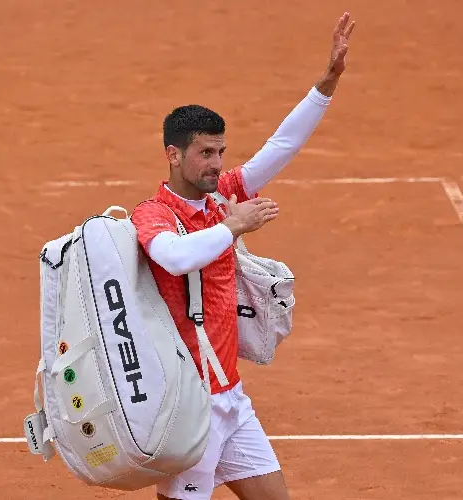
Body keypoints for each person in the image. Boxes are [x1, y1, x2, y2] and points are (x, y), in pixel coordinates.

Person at [129, 12, 356, 500]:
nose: (217, 164)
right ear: (173, 154)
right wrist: (234, 226)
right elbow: (172, 257)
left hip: (229, 396)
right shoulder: (154, 214)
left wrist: (328, 81)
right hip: (190, 404)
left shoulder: (218, 197)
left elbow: (282, 146)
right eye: (205, 153)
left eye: (220, 152)